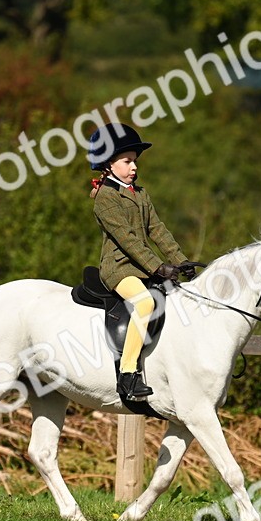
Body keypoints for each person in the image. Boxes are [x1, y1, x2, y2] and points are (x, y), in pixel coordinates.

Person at [89, 123, 192, 400]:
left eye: (135, 161)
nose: (134, 167)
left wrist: (181, 261)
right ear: (109, 164)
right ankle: (127, 374)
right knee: (146, 302)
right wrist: (158, 267)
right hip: (119, 268)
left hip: (140, 265)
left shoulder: (141, 193)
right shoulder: (105, 198)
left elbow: (157, 229)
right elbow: (127, 239)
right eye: (127, 161)